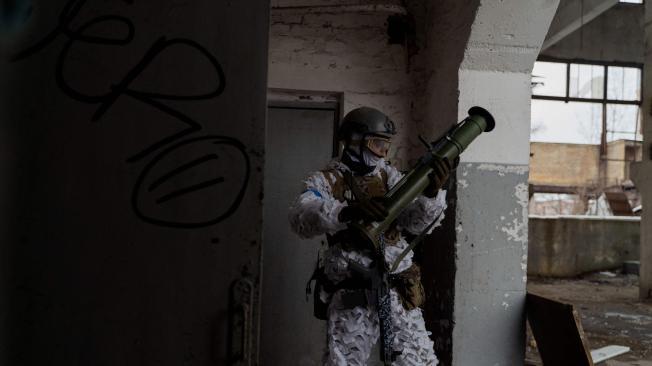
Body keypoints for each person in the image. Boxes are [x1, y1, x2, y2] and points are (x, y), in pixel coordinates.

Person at [289, 107, 450, 366]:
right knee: (345, 362)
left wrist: (431, 195)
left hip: (398, 289)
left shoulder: (390, 177)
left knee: (418, 361)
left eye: (386, 146)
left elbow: (418, 224)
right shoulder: (327, 180)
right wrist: (346, 212)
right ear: (353, 140)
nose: (383, 153)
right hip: (353, 291)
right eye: (377, 144)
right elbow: (301, 216)